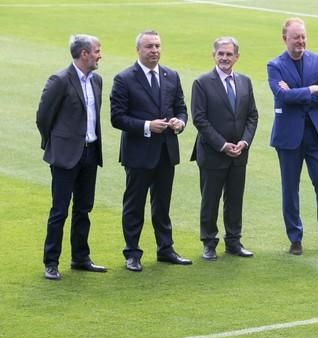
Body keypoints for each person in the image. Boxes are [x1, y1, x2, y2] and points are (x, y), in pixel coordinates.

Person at [110, 30, 191, 271]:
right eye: (149, 47)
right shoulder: (124, 79)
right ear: (138, 50)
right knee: (134, 205)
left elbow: (181, 108)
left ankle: (165, 249)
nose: (154, 50)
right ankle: (132, 253)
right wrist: (147, 126)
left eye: (157, 46)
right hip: (138, 153)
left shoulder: (171, 76)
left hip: (166, 151)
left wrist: (180, 122)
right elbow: (117, 118)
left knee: (162, 204)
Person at [267, 17, 318, 256]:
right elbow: (282, 96)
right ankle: (295, 238)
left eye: (303, 36)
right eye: (296, 37)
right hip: (289, 137)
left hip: (316, 133)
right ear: (284, 39)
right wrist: (310, 90)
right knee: (290, 188)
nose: (301, 41)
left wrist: (298, 93)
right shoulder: (275, 65)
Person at [36, 34, 108, 280]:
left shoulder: (97, 80)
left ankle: (80, 258)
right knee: (59, 210)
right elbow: (43, 117)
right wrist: (55, 144)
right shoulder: (59, 80)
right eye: (97, 51)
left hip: (90, 153)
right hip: (65, 156)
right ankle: (51, 262)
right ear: (84, 54)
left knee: (84, 208)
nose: (100, 55)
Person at [190, 37, 258, 260]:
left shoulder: (245, 82)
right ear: (214, 55)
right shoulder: (202, 83)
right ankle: (209, 243)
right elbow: (199, 119)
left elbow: (252, 116)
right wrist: (222, 145)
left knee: (235, 199)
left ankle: (233, 241)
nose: (225, 58)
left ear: (237, 57)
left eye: (229, 54)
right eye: (221, 54)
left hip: (239, 154)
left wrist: (244, 142)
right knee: (210, 199)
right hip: (212, 154)